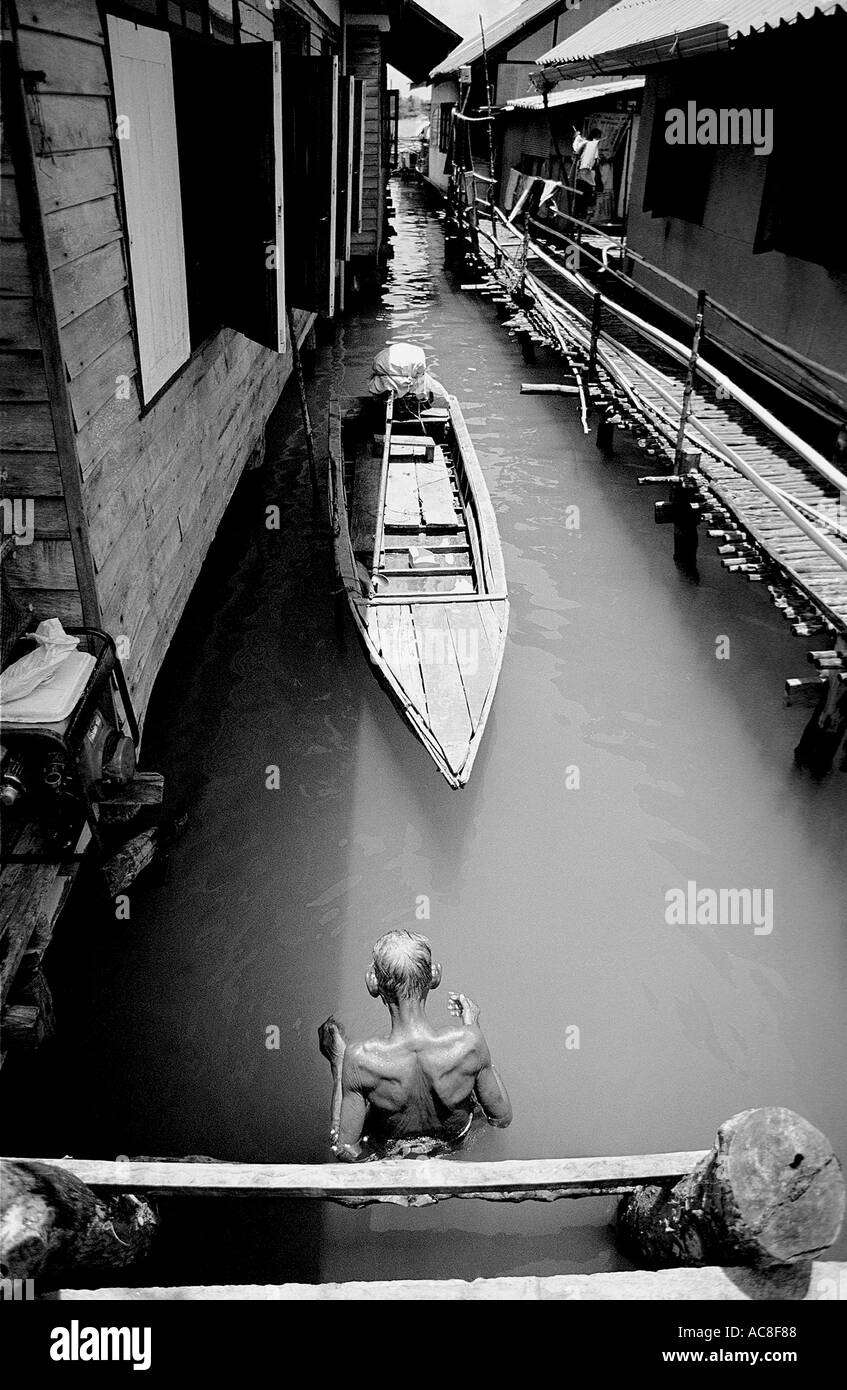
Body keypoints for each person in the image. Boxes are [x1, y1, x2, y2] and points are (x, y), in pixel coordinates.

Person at [318, 930, 512, 1162]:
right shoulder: (469, 1043)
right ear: (434, 976)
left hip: (389, 1150)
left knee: (340, 1135)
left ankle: (336, 1065)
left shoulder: (361, 1059)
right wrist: (473, 1028)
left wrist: (341, 1063)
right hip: (455, 1145)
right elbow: (501, 1119)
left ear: (372, 983)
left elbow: (346, 1147)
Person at [572, 125, 603, 224]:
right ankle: (581, 223)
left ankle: (582, 223)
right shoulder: (590, 146)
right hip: (585, 177)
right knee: (585, 200)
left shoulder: (586, 145)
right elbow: (595, 162)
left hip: (585, 177)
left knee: (585, 200)